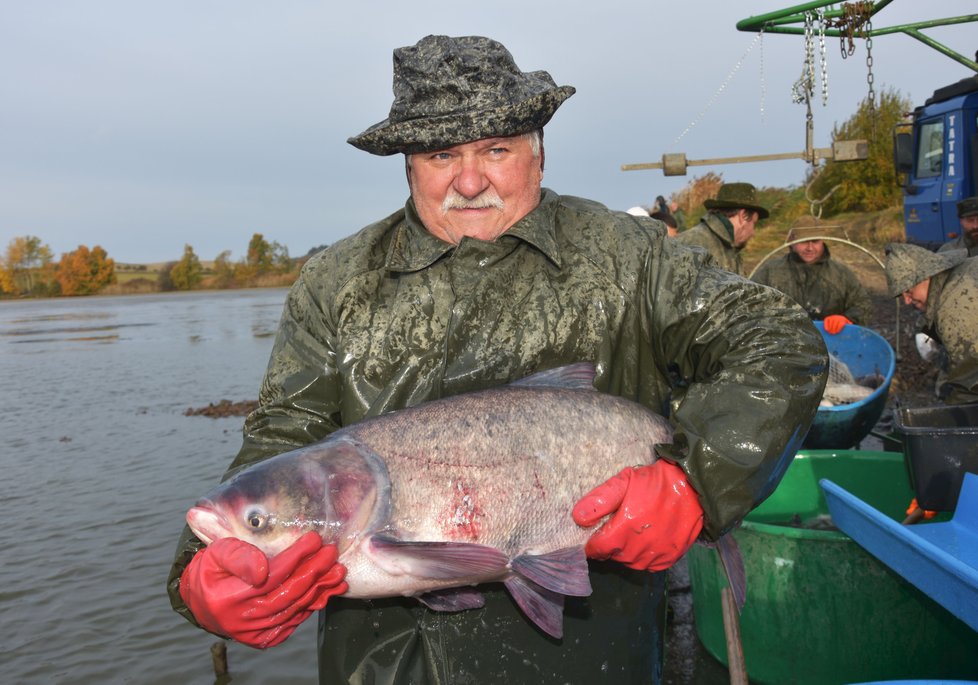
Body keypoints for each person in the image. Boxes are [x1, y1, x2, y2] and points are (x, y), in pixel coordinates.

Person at [167, 35, 828, 684]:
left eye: (497, 148)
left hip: (599, 657)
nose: (471, 179)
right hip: (386, 664)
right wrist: (203, 573)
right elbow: (276, 447)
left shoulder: (630, 256)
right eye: (440, 153)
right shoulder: (334, 285)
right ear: (406, 163)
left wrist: (696, 480)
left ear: (538, 152)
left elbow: (780, 341)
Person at [885, 243, 978, 404]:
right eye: (902, 294)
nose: (906, 301)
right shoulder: (959, 274)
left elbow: (970, 383)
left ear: (927, 276)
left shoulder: (954, 309)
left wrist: (950, 417)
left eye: (908, 290)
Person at [752, 217, 872, 334]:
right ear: (791, 242)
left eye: (815, 241)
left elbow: (862, 304)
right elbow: (750, 304)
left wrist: (847, 318)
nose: (810, 248)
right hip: (783, 343)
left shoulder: (841, 273)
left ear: (822, 241)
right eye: (803, 242)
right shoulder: (770, 271)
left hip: (832, 343)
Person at [675, 182, 767, 275]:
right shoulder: (691, 245)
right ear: (743, 216)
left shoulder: (730, 249)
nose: (753, 233)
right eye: (754, 223)